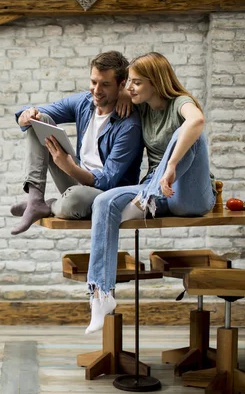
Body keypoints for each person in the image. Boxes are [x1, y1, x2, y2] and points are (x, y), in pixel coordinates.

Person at [85, 52, 215, 334]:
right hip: (159, 191)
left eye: (136, 83)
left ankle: (148, 195)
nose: (129, 88)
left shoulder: (180, 103)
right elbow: (112, 91)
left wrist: (170, 166)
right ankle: (101, 295)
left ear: (156, 82)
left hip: (190, 192)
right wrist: (122, 94)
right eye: (128, 82)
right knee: (103, 202)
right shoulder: (139, 105)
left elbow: (197, 121)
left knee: (187, 132)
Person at [11, 50, 143, 235]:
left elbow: (107, 181)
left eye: (105, 84)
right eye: (93, 82)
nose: (96, 90)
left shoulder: (129, 126)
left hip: (105, 194)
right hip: (76, 182)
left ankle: (49, 205)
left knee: (75, 200)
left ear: (122, 85)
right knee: (39, 120)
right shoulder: (84, 102)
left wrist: (69, 167)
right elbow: (37, 111)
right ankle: (35, 199)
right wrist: (25, 116)